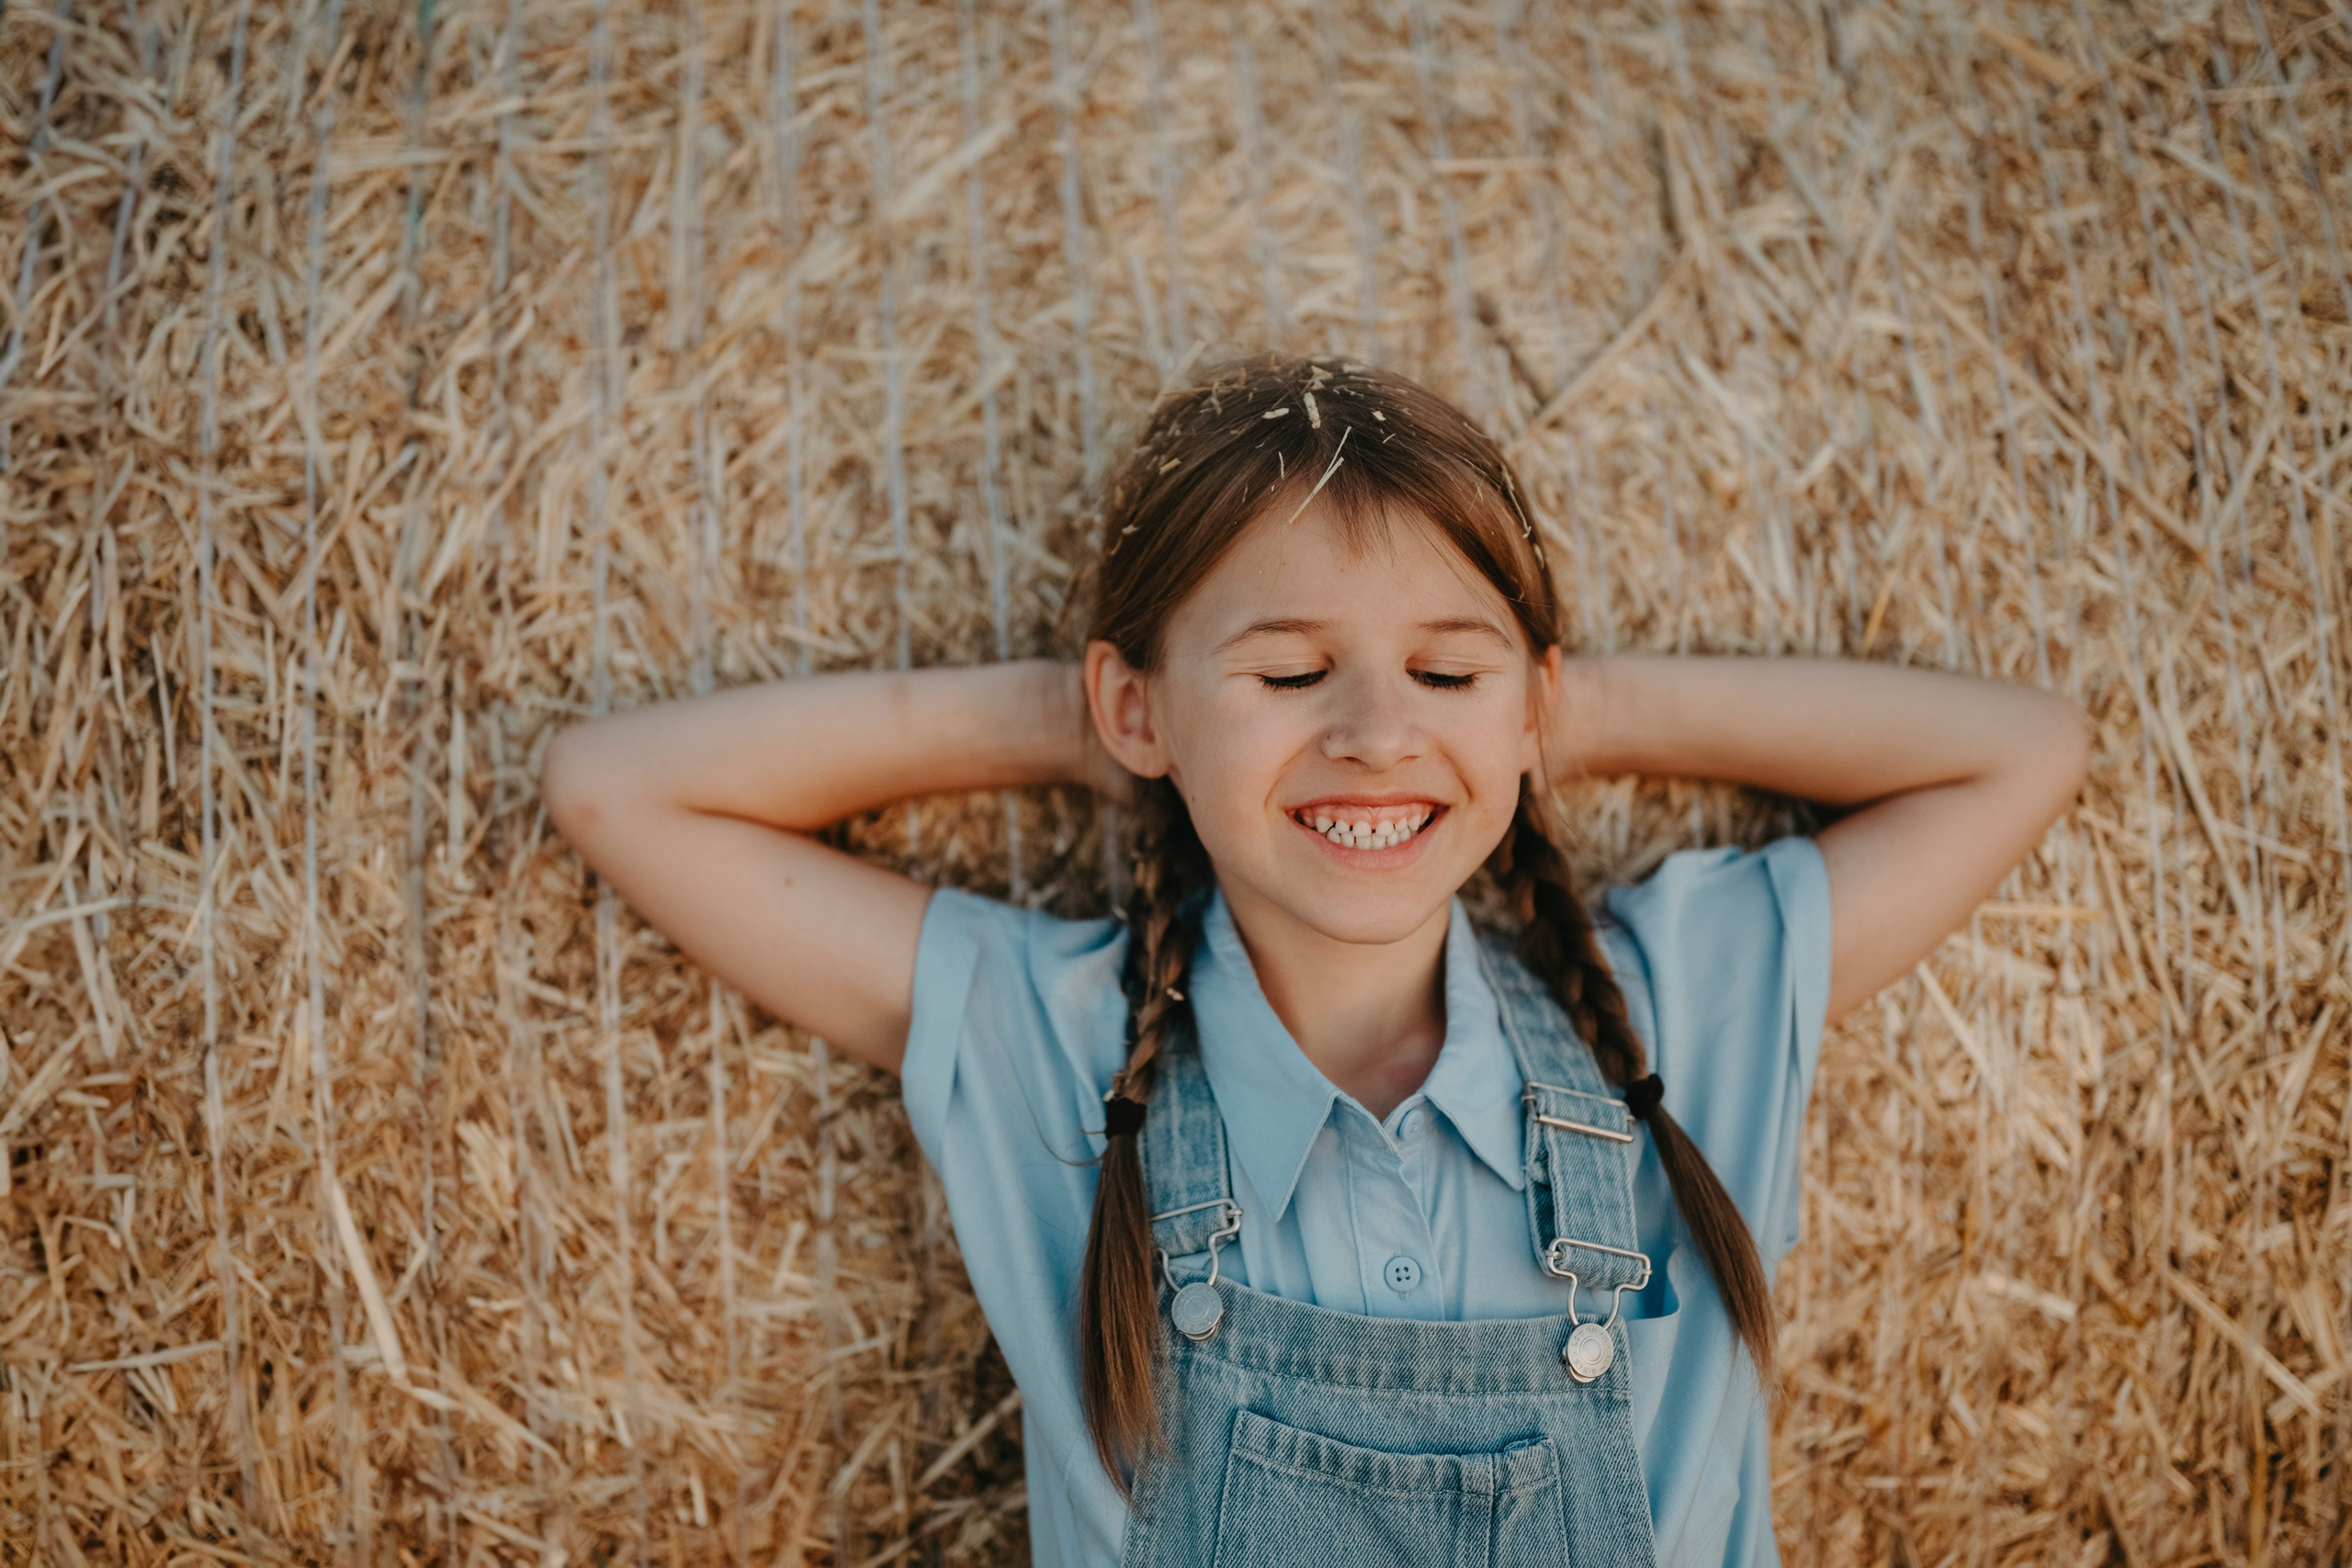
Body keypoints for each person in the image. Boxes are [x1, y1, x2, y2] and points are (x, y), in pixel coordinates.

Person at [541, 353, 2088, 1567]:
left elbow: (2018, 751)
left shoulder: (1671, 1018)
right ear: (1138, 708)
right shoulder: (1060, 1050)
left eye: (1443, 666)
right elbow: (623, 790)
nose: (1371, 734)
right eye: (1287, 671)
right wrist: (1096, 726)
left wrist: (1545, 720)